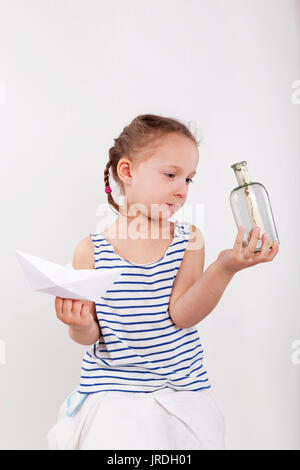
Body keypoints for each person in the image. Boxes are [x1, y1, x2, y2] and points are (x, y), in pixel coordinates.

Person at [47, 114, 279, 450]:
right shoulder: (91, 251)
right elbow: (90, 334)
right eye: (171, 175)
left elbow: (182, 315)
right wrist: (77, 323)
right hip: (113, 397)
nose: (181, 190)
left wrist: (225, 267)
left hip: (178, 397)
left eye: (188, 180)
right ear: (127, 172)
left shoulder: (189, 241)